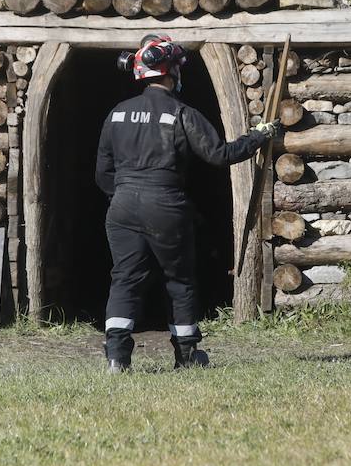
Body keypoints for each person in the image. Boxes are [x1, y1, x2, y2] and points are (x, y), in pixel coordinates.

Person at [95, 33, 280, 373]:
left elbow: (102, 173)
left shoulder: (117, 114)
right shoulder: (181, 113)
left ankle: (116, 358)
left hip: (120, 206)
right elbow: (219, 154)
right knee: (178, 280)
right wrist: (259, 135)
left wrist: (121, 199)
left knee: (124, 278)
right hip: (165, 205)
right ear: (172, 73)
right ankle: (186, 355)